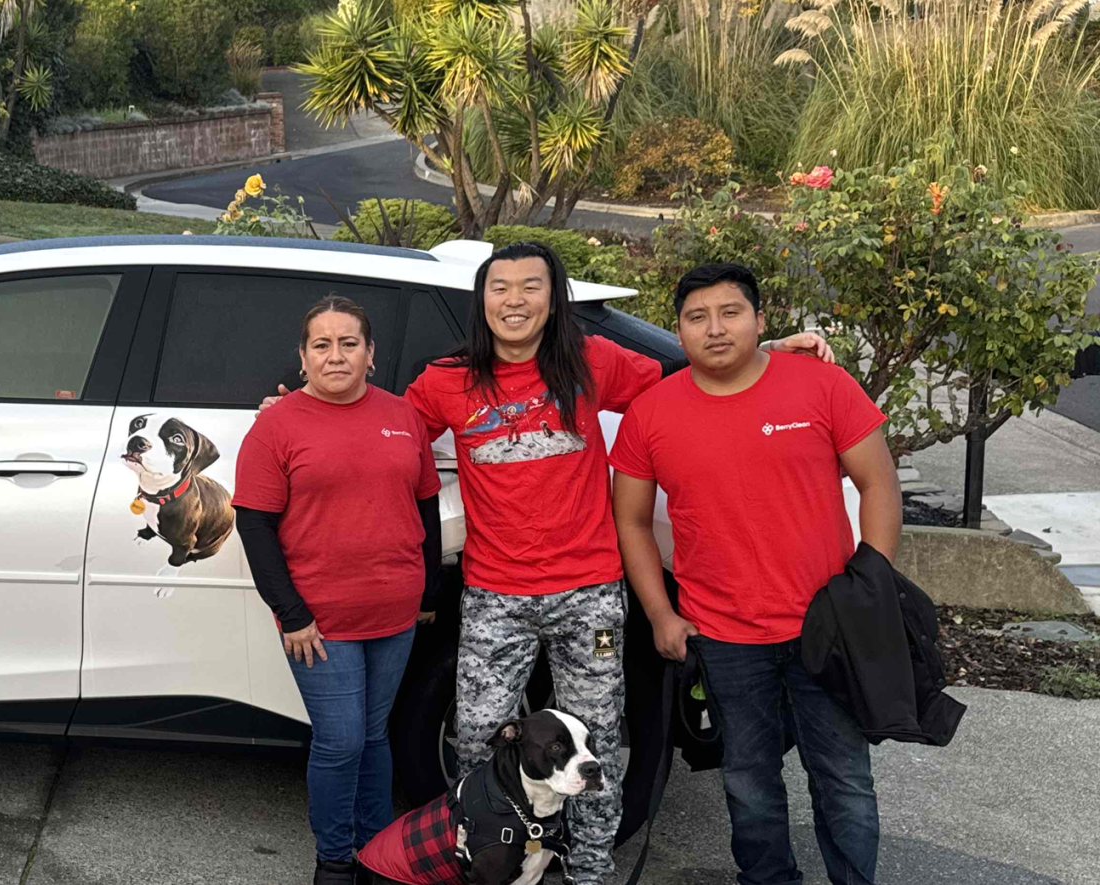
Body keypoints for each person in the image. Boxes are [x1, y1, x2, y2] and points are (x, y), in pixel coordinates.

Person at [261, 243, 830, 884]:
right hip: (493, 596)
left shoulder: (588, 361)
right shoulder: (447, 380)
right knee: (479, 744)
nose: (515, 300)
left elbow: (689, 372)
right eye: (500, 287)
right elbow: (375, 423)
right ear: (482, 301)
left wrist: (768, 349)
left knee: (595, 745)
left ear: (552, 297)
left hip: (588, 592)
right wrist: (301, 407)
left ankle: (588, 873)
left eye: (531, 286)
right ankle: (489, 865)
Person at [609, 263, 902, 885]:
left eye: (731, 312)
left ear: (760, 321)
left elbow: (879, 482)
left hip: (828, 623)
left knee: (843, 776)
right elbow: (632, 522)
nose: (715, 329)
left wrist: (872, 585)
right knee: (748, 778)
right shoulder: (651, 413)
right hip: (723, 634)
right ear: (679, 330)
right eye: (697, 317)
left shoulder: (819, 384)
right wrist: (662, 613)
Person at [233, 295, 443, 885]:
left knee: (375, 736)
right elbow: (254, 523)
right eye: (321, 345)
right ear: (303, 358)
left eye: (348, 343)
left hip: (395, 612)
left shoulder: (403, 415)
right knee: (341, 740)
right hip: (318, 622)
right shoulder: (276, 426)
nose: (336, 355)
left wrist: (426, 591)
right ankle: (334, 859)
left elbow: (423, 505)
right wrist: (290, 612)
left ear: (370, 354)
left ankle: (377, 853)